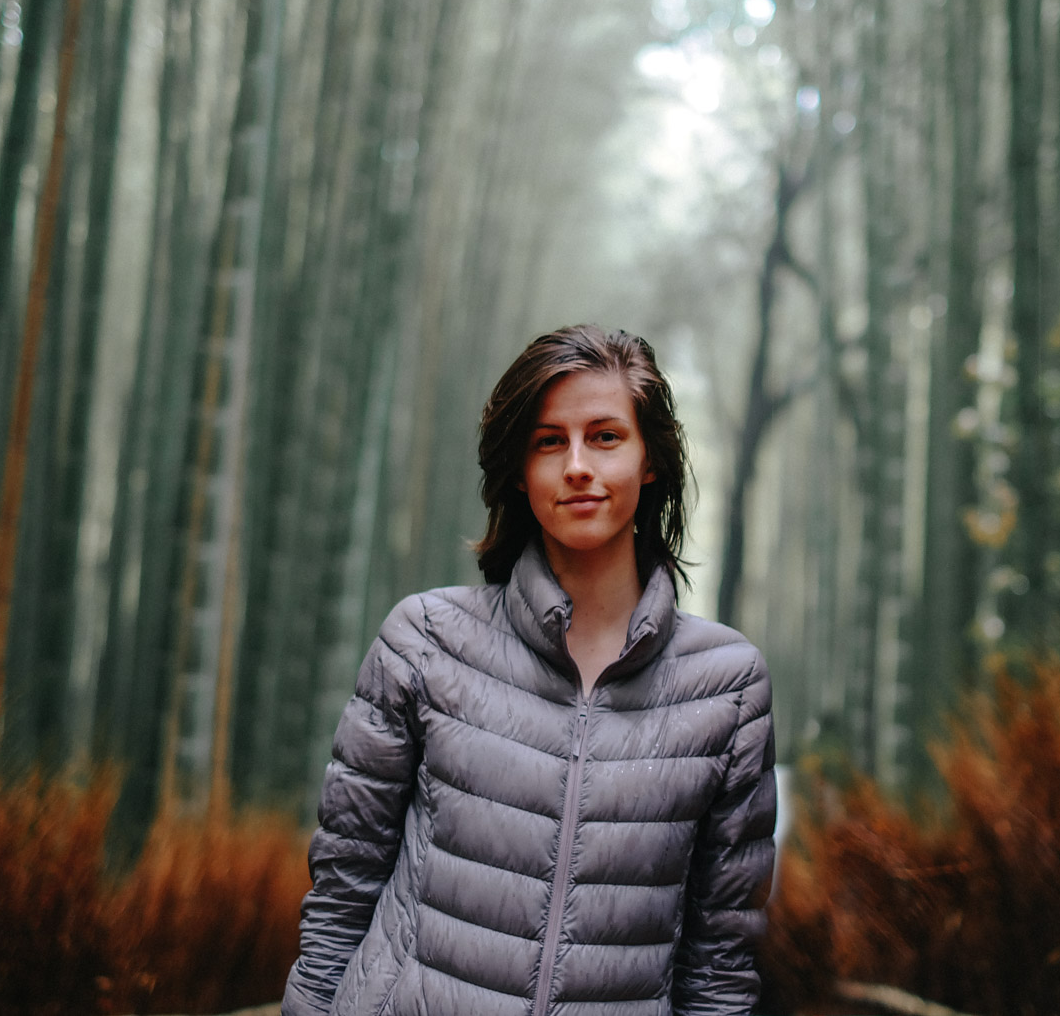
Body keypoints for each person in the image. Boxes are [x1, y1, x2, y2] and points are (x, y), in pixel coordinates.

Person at [280, 325, 776, 1016]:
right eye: (549, 441)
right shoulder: (427, 640)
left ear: (650, 459)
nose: (577, 464)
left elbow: (719, 961)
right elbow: (342, 891)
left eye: (605, 436)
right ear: (519, 470)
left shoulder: (727, 686)